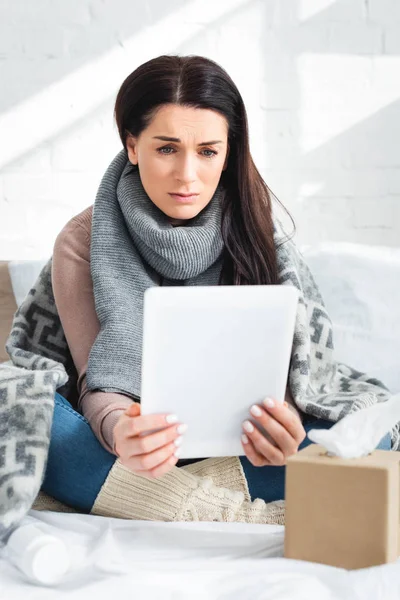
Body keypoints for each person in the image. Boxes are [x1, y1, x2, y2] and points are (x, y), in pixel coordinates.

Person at [41, 55, 391, 515]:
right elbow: (94, 383)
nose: (188, 175)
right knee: (30, 418)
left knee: (370, 428)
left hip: (237, 445)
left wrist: (281, 422)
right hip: (132, 447)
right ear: (132, 145)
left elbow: (298, 377)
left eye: (208, 151)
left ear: (228, 152)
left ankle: (151, 500)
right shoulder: (83, 240)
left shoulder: (260, 232)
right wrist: (117, 429)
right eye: (167, 148)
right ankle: (230, 509)